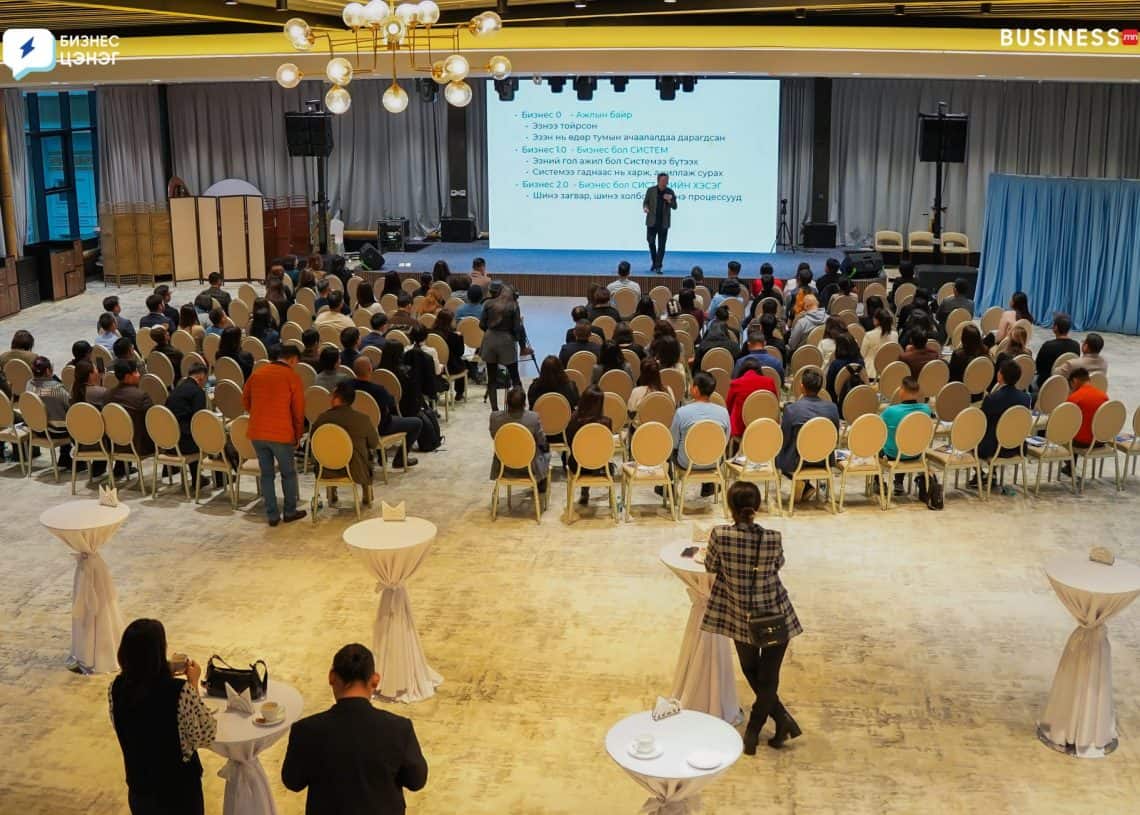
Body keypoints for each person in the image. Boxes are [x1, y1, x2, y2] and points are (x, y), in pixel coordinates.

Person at [702, 481, 802, 755]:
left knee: (751, 670)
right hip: (775, 612)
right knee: (769, 677)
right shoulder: (773, 537)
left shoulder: (720, 535)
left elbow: (711, 566)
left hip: (739, 614)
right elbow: (778, 564)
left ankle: (756, 730)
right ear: (756, 507)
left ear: (730, 507)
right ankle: (775, 723)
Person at [282, 643, 427, 813]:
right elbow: (416, 781)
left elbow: (293, 782)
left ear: (331, 677)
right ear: (375, 680)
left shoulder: (306, 730)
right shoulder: (399, 728)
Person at [109, 619, 215, 815]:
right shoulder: (180, 692)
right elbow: (205, 733)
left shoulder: (116, 689)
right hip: (179, 794)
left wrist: (165, 672)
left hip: (140, 790)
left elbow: (127, 724)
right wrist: (192, 683)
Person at [242, 345, 306, 525]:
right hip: (282, 433)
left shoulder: (258, 373)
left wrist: (258, 413)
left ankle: (272, 515)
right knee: (288, 473)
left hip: (257, 432)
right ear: (292, 359)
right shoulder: (292, 377)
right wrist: (298, 435)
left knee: (267, 475)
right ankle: (290, 511)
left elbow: (245, 400)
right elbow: (298, 411)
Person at [311, 381, 380, 505]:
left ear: (336, 398)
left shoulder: (322, 419)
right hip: (356, 470)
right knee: (366, 451)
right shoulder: (362, 419)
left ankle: (332, 492)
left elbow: (313, 441)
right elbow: (374, 443)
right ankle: (366, 492)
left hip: (326, 469)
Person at [776, 369, 840, 495]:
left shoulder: (791, 410)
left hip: (798, 460)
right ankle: (804, 485)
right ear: (820, 388)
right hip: (824, 459)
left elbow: (784, 440)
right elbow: (835, 437)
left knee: (777, 455)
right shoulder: (832, 408)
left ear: (801, 387)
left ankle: (804, 485)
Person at [350, 357, 420, 468]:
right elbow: (392, 403)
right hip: (381, 428)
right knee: (416, 422)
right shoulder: (378, 390)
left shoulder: (346, 386)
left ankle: (381, 457)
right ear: (370, 369)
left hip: (354, 428)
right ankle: (400, 460)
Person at [670, 371, 731, 497]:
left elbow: (674, 442)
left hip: (687, 462)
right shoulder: (723, 412)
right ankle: (709, 488)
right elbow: (725, 440)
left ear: (696, 389)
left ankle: (668, 490)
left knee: (670, 450)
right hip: (714, 461)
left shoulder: (682, 412)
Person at [976, 359, 1032, 478]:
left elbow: (981, 422)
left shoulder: (992, 399)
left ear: (1000, 375)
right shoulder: (1025, 398)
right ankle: (991, 474)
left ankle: (980, 475)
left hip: (992, 448)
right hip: (1017, 446)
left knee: (970, 438)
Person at [489, 385, 550, 495]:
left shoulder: (494, 418)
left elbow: (495, 437)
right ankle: (541, 485)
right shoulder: (533, 418)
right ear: (524, 404)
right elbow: (542, 441)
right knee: (546, 453)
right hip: (530, 469)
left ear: (506, 402)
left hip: (504, 467)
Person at [880, 376, 932, 495]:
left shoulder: (891, 411)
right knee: (907, 439)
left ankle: (878, 482)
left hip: (893, 454)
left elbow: (877, 426)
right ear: (918, 392)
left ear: (902, 390)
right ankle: (898, 481)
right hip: (916, 453)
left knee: (880, 442)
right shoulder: (926, 410)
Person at [165, 363, 213, 486]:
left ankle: (197, 478)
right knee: (216, 437)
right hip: (185, 445)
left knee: (189, 430)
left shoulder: (176, 390)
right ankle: (220, 478)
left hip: (168, 443)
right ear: (202, 377)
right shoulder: (198, 392)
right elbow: (199, 421)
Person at [479, 282, 525, 411]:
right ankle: (519, 407)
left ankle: (494, 410)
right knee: (515, 377)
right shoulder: (514, 306)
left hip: (489, 340)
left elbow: (481, 325)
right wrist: (514, 339)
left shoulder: (488, 304)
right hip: (507, 341)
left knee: (492, 378)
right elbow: (517, 328)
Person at [565, 385, 613, 505]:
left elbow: (570, 444)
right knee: (606, 462)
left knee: (585, 454)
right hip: (599, 466)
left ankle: (584, 492)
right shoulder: (606, 422)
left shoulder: (572, 420)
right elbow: (607, 448)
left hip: (577, 465)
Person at [27, 356, 73, 469]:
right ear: (48, 371)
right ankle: (67, 457)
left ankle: (65, 458)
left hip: (36, 429)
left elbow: (42, 392)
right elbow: (71, 406)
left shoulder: (29, 385)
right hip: (57, 431)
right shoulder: (56, 389)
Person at [107, 359, 156, 457]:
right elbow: (153, 421)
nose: (139, 375)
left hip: (115, 446)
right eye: (136, 372)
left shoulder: (107, 395)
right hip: (140, 447)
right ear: (128, 377)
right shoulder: (141, 396)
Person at [726, 359, 778, 439]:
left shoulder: (736, 383)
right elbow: (775, 404)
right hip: (764, 424)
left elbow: (728, 406)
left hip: (741, 428)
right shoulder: (769, 382)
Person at [378, 339, 424, 421]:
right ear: (400, 354)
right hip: (404, 409)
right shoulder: (406, 373)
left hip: (383, 408)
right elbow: (414, 397)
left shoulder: (377, 371)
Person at [1065, 367, 1109, 451]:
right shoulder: (1104, 396)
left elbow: (1067, 422)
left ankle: (1070, 463)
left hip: (1082, 442)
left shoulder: (1074, 398)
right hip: (1101, 440)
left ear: (1074, 381)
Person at [643, 172, 678, 273]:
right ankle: (655, 262)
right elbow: (646, 202)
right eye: (663, 180)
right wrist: (645, 207)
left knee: (661, 246)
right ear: (658, 180)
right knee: (651, 242)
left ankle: (658, 266)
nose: (665, 182)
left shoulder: (670, 191)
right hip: (651, 222)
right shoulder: (651, 190)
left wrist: (669, 201)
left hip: (664, 223)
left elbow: (675, 206)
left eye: (667, 180)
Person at [1034, 313, 1081, 388]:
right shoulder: (1076, 345)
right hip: (1067, 383)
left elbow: (1038, 367)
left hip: (1047, 384)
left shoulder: (1048, 345)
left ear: (1055, 328)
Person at [430, 309, 467, 400]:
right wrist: (460, 337)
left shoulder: (430, 333)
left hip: (433, 365)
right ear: (449, 322)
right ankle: (459, 392)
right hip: (450, 367)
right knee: (463, 363)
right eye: (454, 320)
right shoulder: (454, 336)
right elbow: (460, 353)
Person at [825, 334, 865, 403]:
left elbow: (829, 387)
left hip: (838, 402)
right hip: (858, 399)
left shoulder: (835, 364)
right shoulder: (860, 362)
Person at [860, 310, 897, 379]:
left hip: (871, 372)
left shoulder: (869, 335)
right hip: (888, 371)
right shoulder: (895, 335)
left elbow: (862, 354)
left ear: (877, 321)